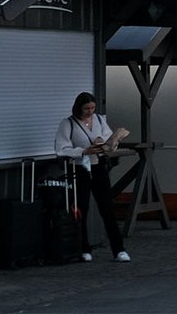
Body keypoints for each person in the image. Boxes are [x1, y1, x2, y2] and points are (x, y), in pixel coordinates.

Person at [52, 92, 130, 263]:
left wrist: (104, 141)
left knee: (107, 208)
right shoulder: (68, 124)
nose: (90, 112)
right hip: (80, 167)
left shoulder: (100, 120)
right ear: (78, 108)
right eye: (86, 108)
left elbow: (108, 135)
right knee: (82, 207)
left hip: (98, 166)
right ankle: (83, 248)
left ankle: (119, 249)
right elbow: (61, 149)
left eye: (92, 108)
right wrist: (82, 151)